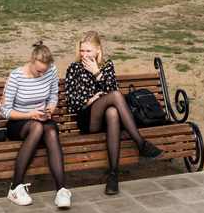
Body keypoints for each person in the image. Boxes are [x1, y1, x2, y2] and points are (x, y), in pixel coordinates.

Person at [65, 29, 164, 196]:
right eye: (82, 50)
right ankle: (142, 145)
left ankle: (113, 175)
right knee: (116, 97)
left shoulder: (107, 66)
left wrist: (97, 73)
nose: (84, 54)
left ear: (98, 49)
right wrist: (90, 101)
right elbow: (70, 103)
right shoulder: (74, 69)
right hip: (87, 120)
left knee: (112, 111)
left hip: (107, 119)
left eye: (88, 51)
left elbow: (113, 94)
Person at [0, 40, 71, 209]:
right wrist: (29, 114)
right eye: (38, 70)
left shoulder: (51, 71)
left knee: (51, 132)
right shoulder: (16, 76)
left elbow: (54, 96)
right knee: (36, 127)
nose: (41, 75)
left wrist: (49, 111)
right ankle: (15, 187)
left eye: (44, 71)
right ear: (30, 61)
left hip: (41, 118)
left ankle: (61, 190)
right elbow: (4, 110)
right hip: (19, 122)